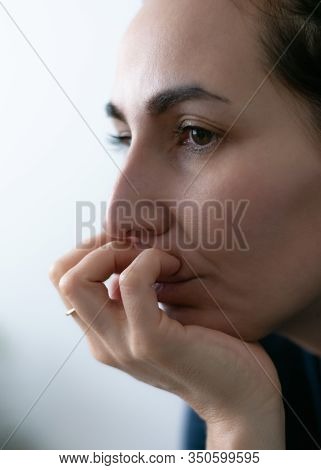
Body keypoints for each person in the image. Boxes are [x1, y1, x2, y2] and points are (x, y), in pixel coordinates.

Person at [49, 0, 321, 449]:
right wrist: (235, 416)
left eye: (197, 134)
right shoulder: (234, 366)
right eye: (123, 137)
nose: (120, 217)